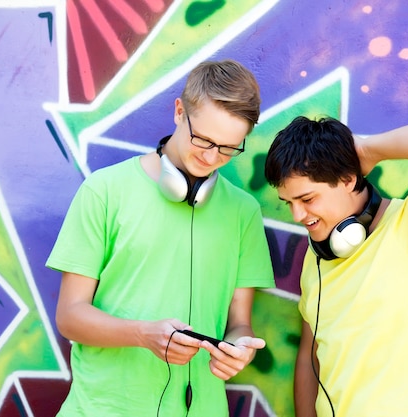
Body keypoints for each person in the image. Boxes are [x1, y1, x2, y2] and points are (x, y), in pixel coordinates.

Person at [46, 59, 275, 417]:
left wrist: (237, 349)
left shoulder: (244, 212)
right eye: (202, 139)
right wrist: (142, 334)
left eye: (229, 148)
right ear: (179, 111)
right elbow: (70, 317)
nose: (212, 157)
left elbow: (238, 321)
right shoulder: (104, 191)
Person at [264, 116, 408, 416]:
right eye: (288, 202)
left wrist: (365, 151)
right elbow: (310, 358)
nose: (298, 215)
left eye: (307, 199)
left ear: (348, 179)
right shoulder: (317, 259)